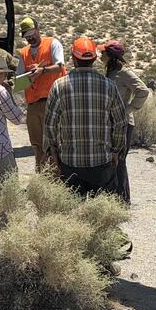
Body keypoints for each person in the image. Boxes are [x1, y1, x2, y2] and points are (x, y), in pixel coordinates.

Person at [43, 36, 128, 196]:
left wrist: (52, 153)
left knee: (73, 213)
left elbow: (49, 125)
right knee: (101, 214)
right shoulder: (108, 85)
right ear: (95, 58)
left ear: (74, 58)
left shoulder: (59, 86)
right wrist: (116, 150)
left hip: (70, 162)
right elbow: (120, 122)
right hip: (101, 162)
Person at [102, 40, 151, 202]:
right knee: (112, 161)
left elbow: (143, 91)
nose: (101, 55)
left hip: (124, 123)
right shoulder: (111, 71)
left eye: (103, 53)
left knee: (119, 161)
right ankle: (115, 199)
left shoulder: (124, 72)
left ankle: (123, 201)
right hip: (112, 123)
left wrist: (128, 109)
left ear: (110, 56)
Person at [15, 16, 66, 171]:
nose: (30, 38)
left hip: (52, 103)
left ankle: (57, 179)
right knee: (37, 146)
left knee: (53, 145)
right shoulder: (23, 53)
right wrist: (25, 78)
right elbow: (19, 81)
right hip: (33, 106)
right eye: (26, 36)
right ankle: (42, 178)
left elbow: (60, 66)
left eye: (31, 33)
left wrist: (42, 71)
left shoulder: (53, 43)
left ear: (38, 29)